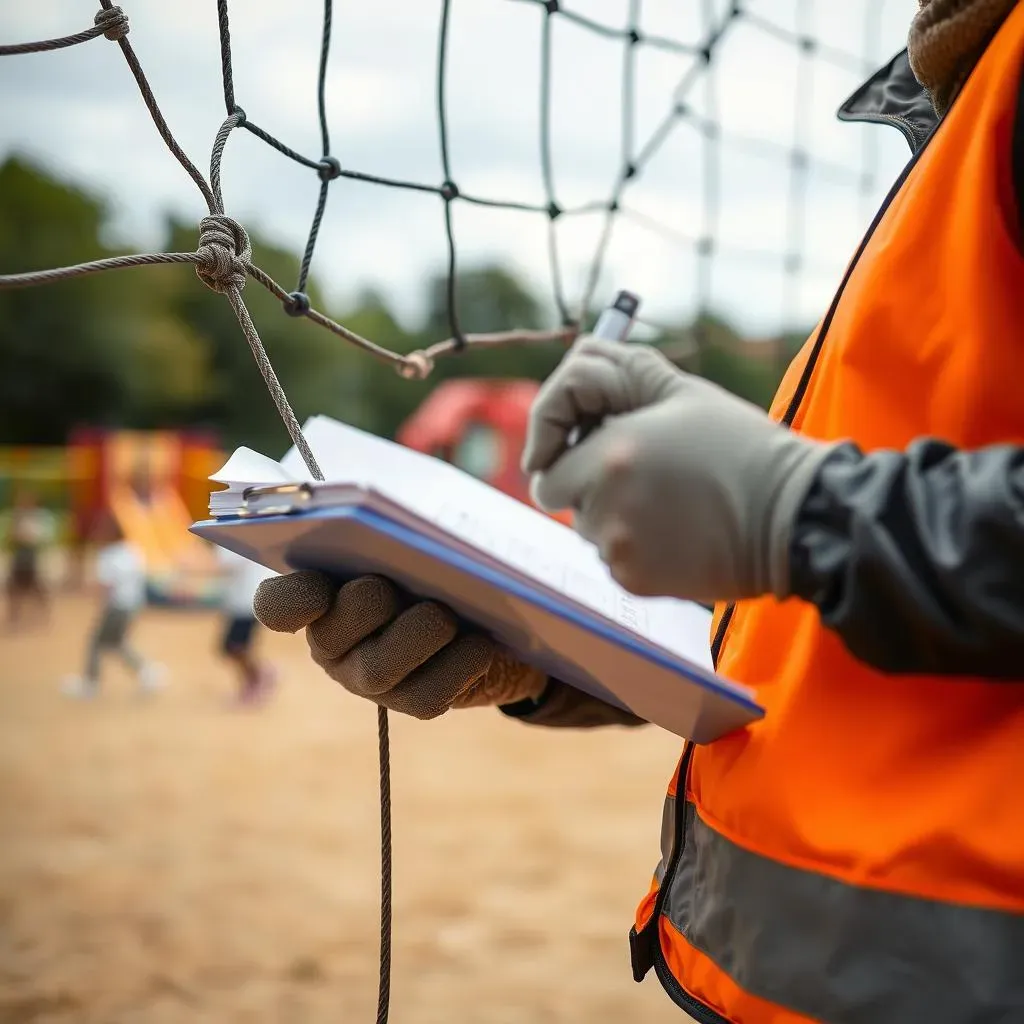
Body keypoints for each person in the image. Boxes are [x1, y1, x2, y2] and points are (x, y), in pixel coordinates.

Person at [252, 3, 1024, 1021]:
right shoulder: (960, 95)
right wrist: (555, 650)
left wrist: (797, 508)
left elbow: (826, 535)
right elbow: (838, 612)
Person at [62, 513, 167, 699]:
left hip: (117, 605)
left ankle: (90, 683)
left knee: (96, 642)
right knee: (115, 643)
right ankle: (146, 672)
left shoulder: (108, 555)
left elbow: (106, 584)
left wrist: (90, 595)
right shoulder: (132, 550)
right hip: (132, 604)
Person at [216, 545, 277, 707]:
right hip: (244, 599)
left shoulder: (232, 538)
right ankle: (260, 676)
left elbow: (224, 563)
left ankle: (258, 679)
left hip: (248, 600)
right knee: (234, 647)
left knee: (235, 646)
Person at [4, 488, 54, 631]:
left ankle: (43, 613)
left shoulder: (38, 518)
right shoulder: (17, 516)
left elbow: (35, 538)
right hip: (20, 554)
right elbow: (12, 536)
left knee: (35, 584)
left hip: (29, 554)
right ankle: (14, 614)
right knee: (14, 585)